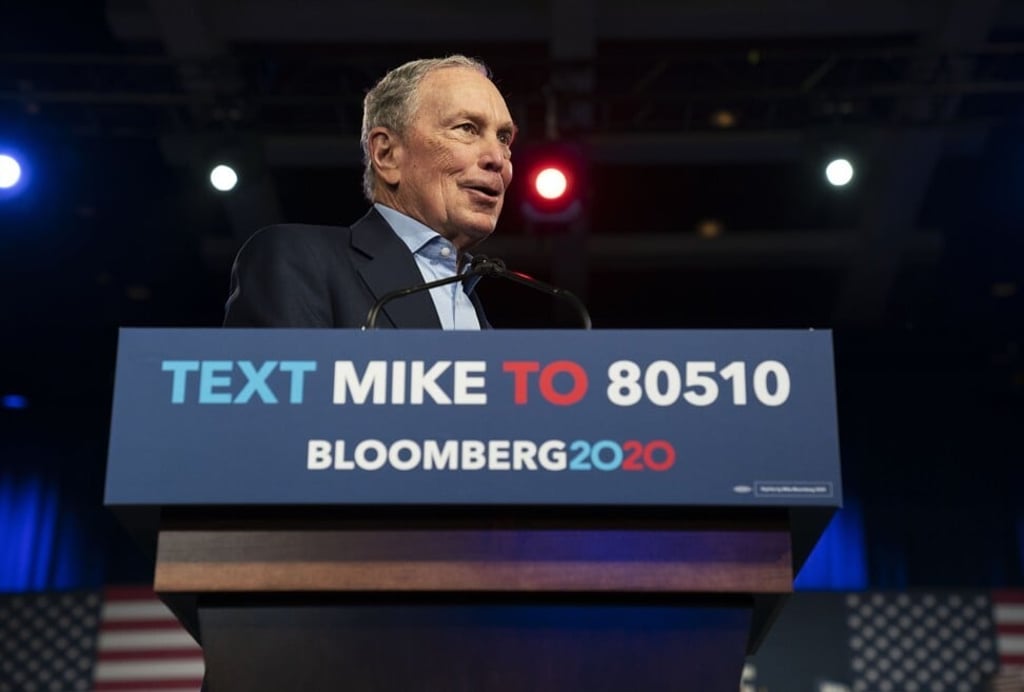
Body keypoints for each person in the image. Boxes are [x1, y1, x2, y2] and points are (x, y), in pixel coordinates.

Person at [222, 55, 516, 329]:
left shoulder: (479, 309)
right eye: (466, 128)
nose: (498, 158)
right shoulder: (297, 260)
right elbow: (284, 383)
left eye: (504, 138)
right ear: (387, 154)